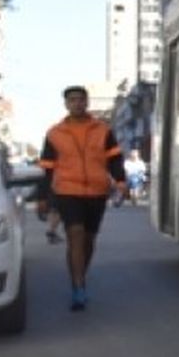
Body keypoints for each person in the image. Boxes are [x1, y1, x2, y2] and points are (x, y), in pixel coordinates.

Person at [36, 85, 127, 310]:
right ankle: (78, 285)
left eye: (81, 99)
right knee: (75, 234)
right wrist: (42, 196)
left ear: (87, 102)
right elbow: (46, 167)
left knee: (88, 240)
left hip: (97, 192)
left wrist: (121, 182)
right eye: (72, 100)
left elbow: (114, 159)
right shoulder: (55, 133)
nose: (77, 103)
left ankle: (80, 276)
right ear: (66, 104)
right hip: (67, 191)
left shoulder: (103, 130)